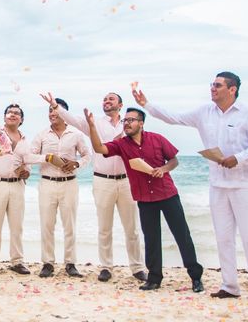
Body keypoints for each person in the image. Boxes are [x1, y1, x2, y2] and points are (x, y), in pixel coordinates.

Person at [133, 71, 248, 302]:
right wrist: (147, 104)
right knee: (223, 237)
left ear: (232, 89)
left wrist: (237, 158)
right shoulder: (203, 112)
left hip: (246, 185)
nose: (212, 88)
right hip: (217, 185)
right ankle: (230, 285)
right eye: (212, 84)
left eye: (217, 85)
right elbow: (173, 117)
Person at [85, 106, 204, 293]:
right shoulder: (122, 144)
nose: (127, 123)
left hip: (167, 194)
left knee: (182, 235)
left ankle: (196, 277)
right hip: (144, 198)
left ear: (141, 123)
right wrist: (92, 126)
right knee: (151, 238)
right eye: (125, 121)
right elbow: (100, 148)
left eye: (131, 120)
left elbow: (174, 160)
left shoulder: (157, 138)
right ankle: (154, 278)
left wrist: (163, 169)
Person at [40, 91, 146, 282]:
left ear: (120, 105)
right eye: (104, 99)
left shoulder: (129, 124)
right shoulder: (93, 122)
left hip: (126, 180)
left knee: (132, 228)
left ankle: (137, 267)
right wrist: (55, 106)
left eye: (111, 98)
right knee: (104, 227)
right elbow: (71, 119)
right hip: (102, 180)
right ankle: (106, 266)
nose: (106, 101)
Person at [30, 97, 91, 278]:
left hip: (69, 184)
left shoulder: (76, 134)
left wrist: (76, 164)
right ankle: (47, 263)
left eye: (55, 110)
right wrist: (46, 158)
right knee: (47, 224)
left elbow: (87, 156)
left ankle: (70, 263)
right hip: (47, 183)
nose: (52, 113)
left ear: (65, 114)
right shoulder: (41, 134)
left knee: (69, 225)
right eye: (50, 110)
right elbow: (30, 156)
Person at [0, 104, 32, 275]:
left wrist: (26, 172)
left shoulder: (25, 139)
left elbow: (27, 164)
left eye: (17, 113)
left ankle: (17, 261)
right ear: (4, 116)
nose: (13, 114)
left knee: (17, 225)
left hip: (17, 185)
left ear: (21, 119)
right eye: (9, 112)